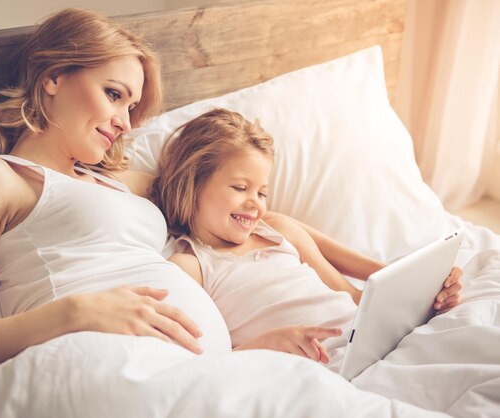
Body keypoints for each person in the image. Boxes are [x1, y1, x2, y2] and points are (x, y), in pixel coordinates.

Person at [0, 8, 236, 394]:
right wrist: (76, 313)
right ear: (53, 77)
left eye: (131, 107)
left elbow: (231, 207)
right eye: (113, 94)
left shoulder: (123, 183)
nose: (125, 121)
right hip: (103, 372)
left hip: (204, 374)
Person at [150, 108, 463, 370]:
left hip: (364, 345)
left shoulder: (276, 230)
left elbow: (358, 295)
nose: (256, 203)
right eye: (240, 187)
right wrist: (262, 346)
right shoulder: (191, 266)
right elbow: (194, 363)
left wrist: (432, 286)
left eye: (262, 192)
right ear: (192, 183)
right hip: (309, 367)